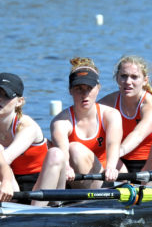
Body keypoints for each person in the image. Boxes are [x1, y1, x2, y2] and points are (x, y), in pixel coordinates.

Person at [0, 72, 68, 202]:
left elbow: (5, 158)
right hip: (12, 187)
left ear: (19, 102)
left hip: (43, 184)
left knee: (56, 153)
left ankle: (37, 212)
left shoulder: (27, 126)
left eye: (6, 96)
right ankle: (3, 210)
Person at [50, 58, 123, 189]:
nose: (85, 94)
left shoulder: (111, 115)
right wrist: (66, 166)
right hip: (75, 178)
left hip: (107, 177)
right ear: (70, 90)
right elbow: (62, 150)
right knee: (73, 148)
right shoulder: (60, 122)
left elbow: (113, 144)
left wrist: (111, 168)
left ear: (98, 89)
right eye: (79, 88)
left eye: (89, 88)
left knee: (75, 148)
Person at [97, 55, 152, 175]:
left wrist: (116, 153)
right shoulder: (107, 103)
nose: (128, 82)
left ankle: (150, 187)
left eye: (134, 77)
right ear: (117, 78)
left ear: (145, 81)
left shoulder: (151, 106)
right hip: (120, 164)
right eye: (123, 76)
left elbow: (138, 135)